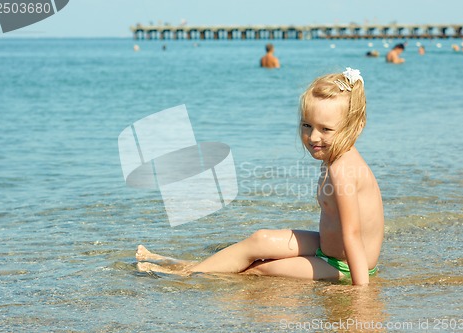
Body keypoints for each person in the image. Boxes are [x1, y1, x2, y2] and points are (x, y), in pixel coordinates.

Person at [136, 68, 384, 286]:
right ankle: (191, 267)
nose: (313, 137)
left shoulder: (344, 170)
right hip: (326, 248)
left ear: (355, 126)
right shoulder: (335, 157)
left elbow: (351, 234)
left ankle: (188, 274)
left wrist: (362, 293)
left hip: (345, 266)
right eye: (307, 125)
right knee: (260, 239)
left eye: (325, 129)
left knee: (262, 269)